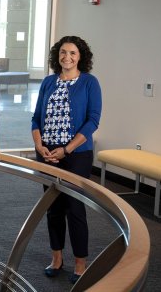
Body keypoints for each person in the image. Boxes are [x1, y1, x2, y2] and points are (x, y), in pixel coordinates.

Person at [31, 36, 102, 284]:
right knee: (53, 208)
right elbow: (36, 117)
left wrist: (67, 149)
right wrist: (39, 145)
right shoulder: (49, 82)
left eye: (72, 53)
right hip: (47, 155)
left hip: (77, 155)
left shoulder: (89, 83)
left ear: (80, 56)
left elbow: (93, 120)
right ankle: (57, 258)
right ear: (57, 55)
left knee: (75, 208)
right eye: (63, 52)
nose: (67, 57)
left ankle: (81, 263)